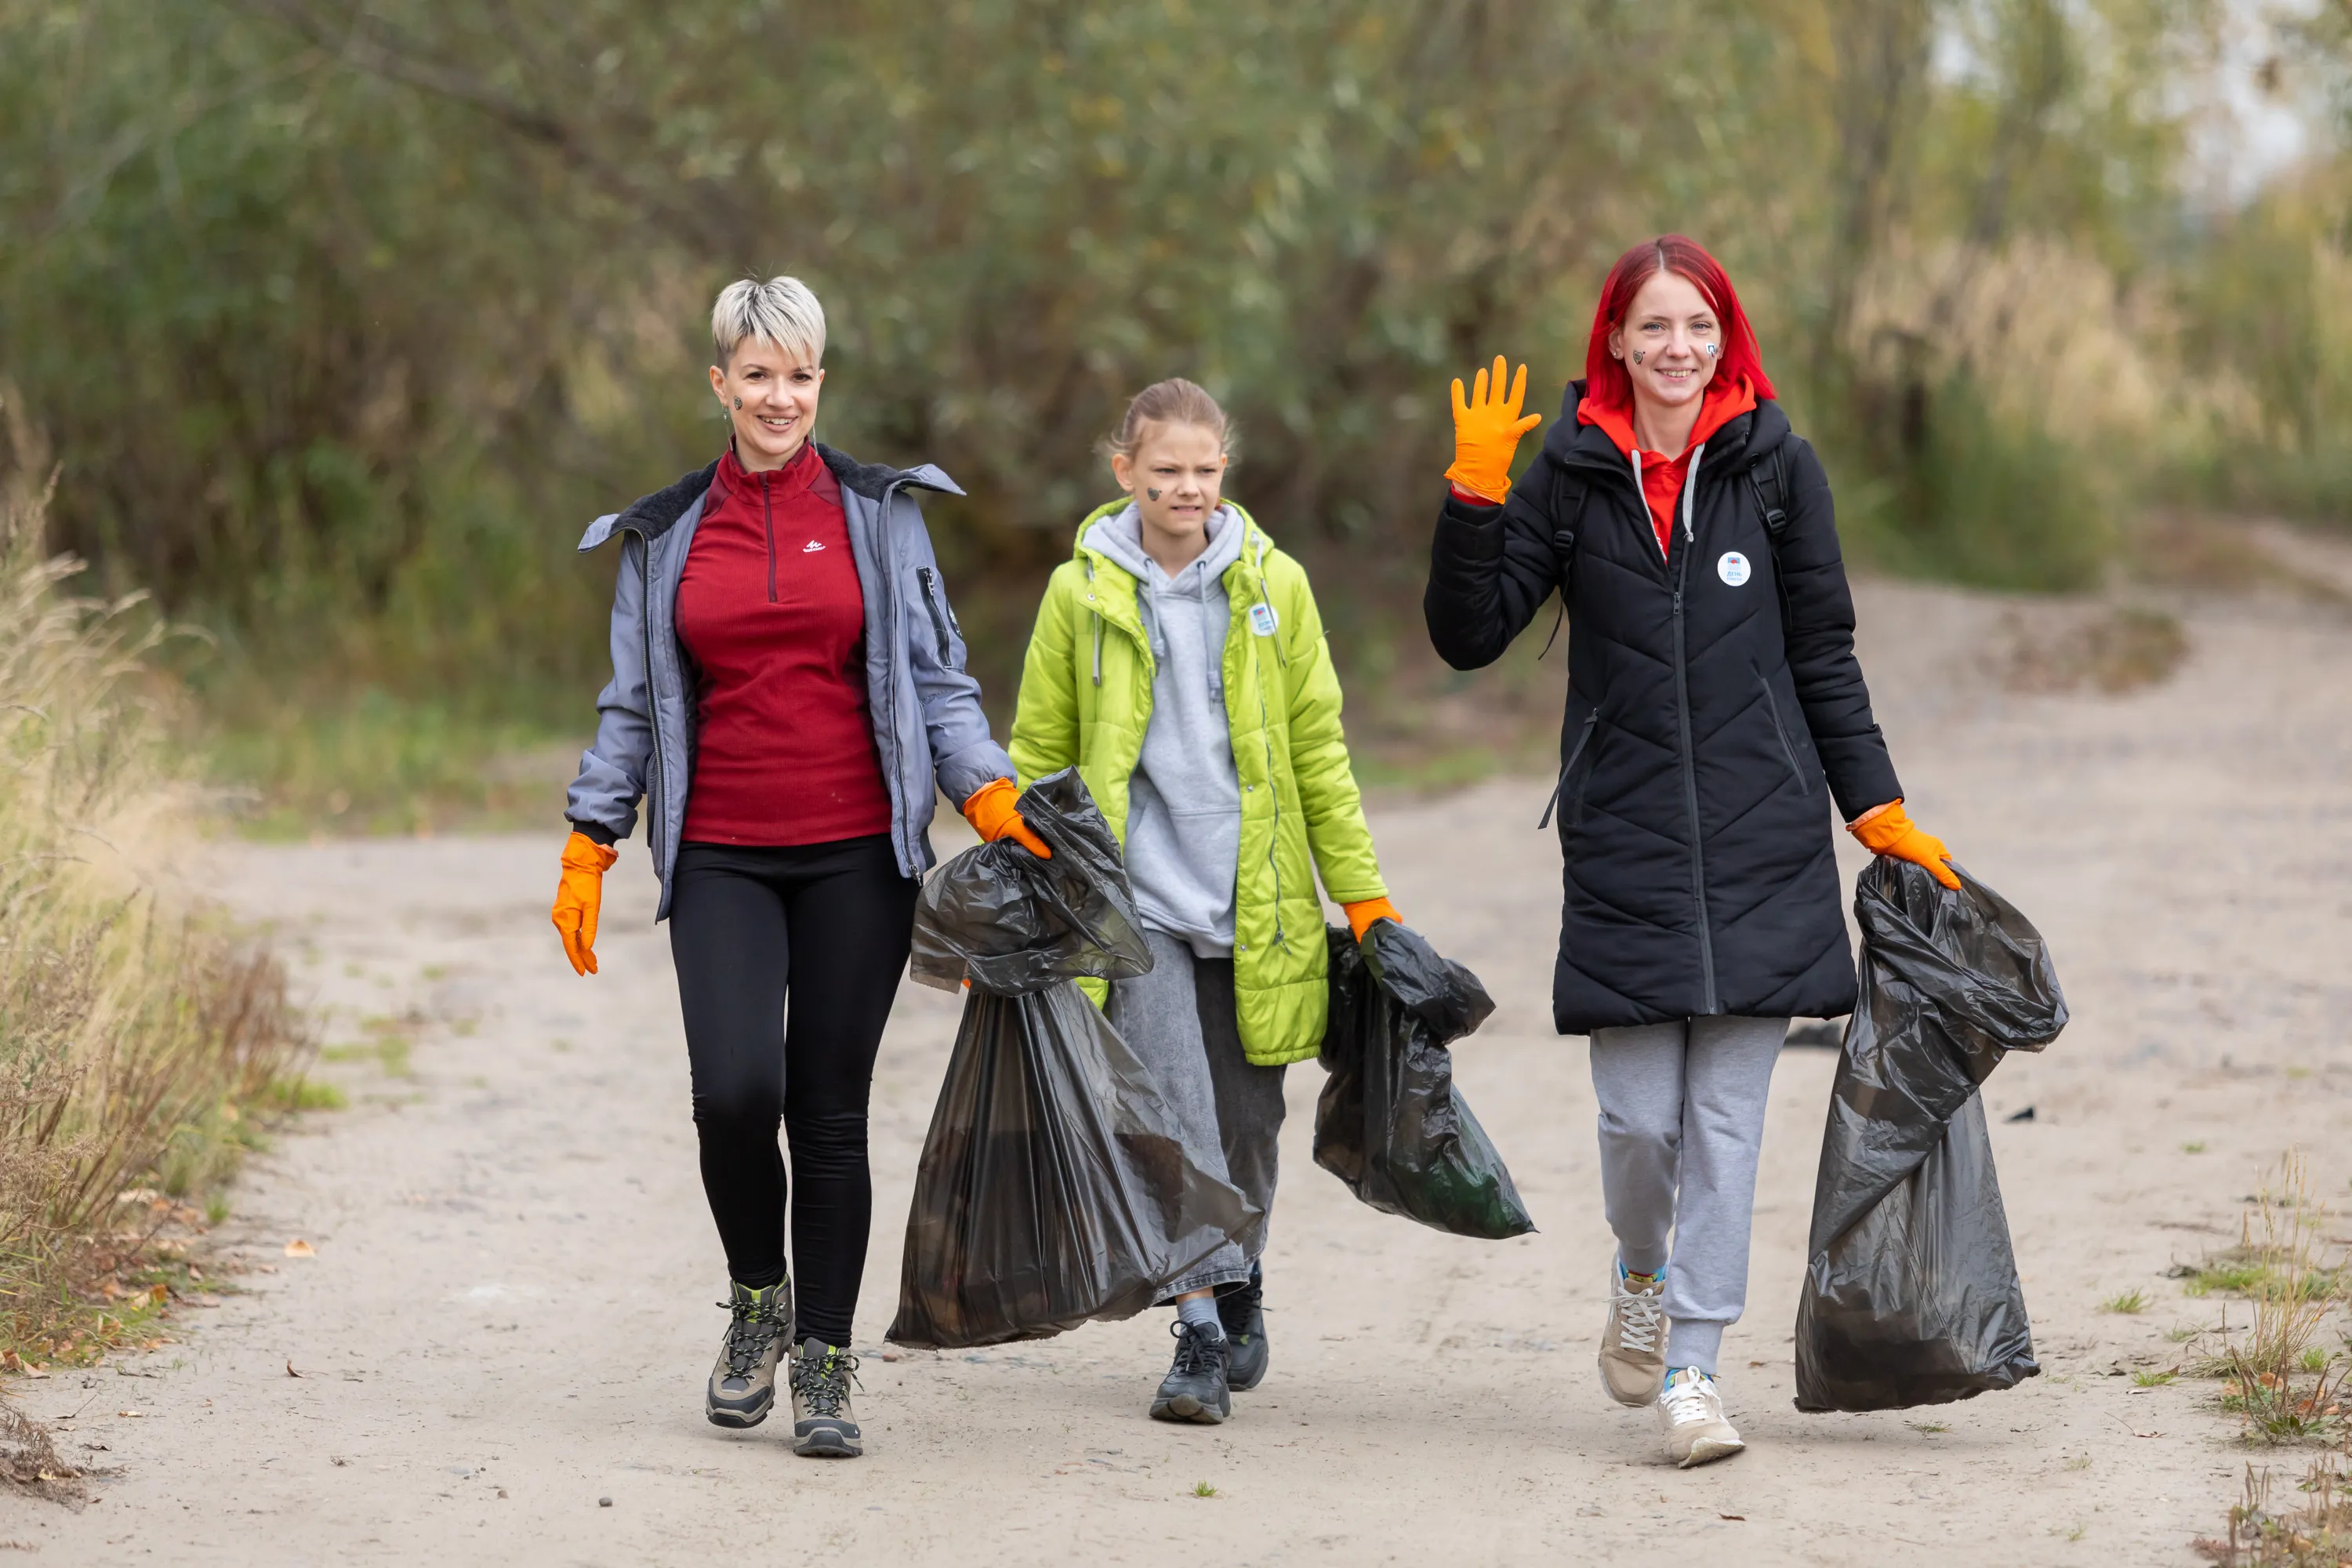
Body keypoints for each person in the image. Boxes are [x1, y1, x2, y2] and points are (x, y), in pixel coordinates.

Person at [1421, 236, 1961, 1468]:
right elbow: (1469, 636)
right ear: (1613, 339)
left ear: (1729, 340)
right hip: (1624, 842)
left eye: (1699, 328)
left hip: (1766, 836)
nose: (1678, 350)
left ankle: (1694, 1372)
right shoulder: (1567, 472)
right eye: (1654, 327)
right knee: (1637, 1129)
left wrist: (1873, 809)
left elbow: (1824, 652)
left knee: (1725, 1126)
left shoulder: (1778, 472)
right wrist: (1472, 497)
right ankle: (1641, 1270)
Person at [548, 276, 1046, 1459]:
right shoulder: (664, 534)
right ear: (719, 383)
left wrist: (984, 789)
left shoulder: (882, 513)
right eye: (758, 374)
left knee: (827, 1111)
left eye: (802, 375)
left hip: (854, 857)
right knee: (733, 1094)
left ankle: (825, 1359)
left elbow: (935, 679)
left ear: (824, 383)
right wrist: (590, 835)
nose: (782, 397)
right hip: (719, 849)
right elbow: (632, 704)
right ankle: (757, 1300)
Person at [1008, 378, 1399, 1425]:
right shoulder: (1079, 596)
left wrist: (1363, 899)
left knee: (1247, 1121)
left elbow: (1320, 753)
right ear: (1123, 471)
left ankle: (1239, 1276)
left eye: (1205, 469)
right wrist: (1022, 878)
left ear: (1227, 470)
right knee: (1168, 1116)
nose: (1187, 488)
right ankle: (1193, 1330)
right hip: (1138, 911)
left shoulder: (1278, 589)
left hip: (1256, 905)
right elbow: (1039, 753)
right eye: (1165, 470)